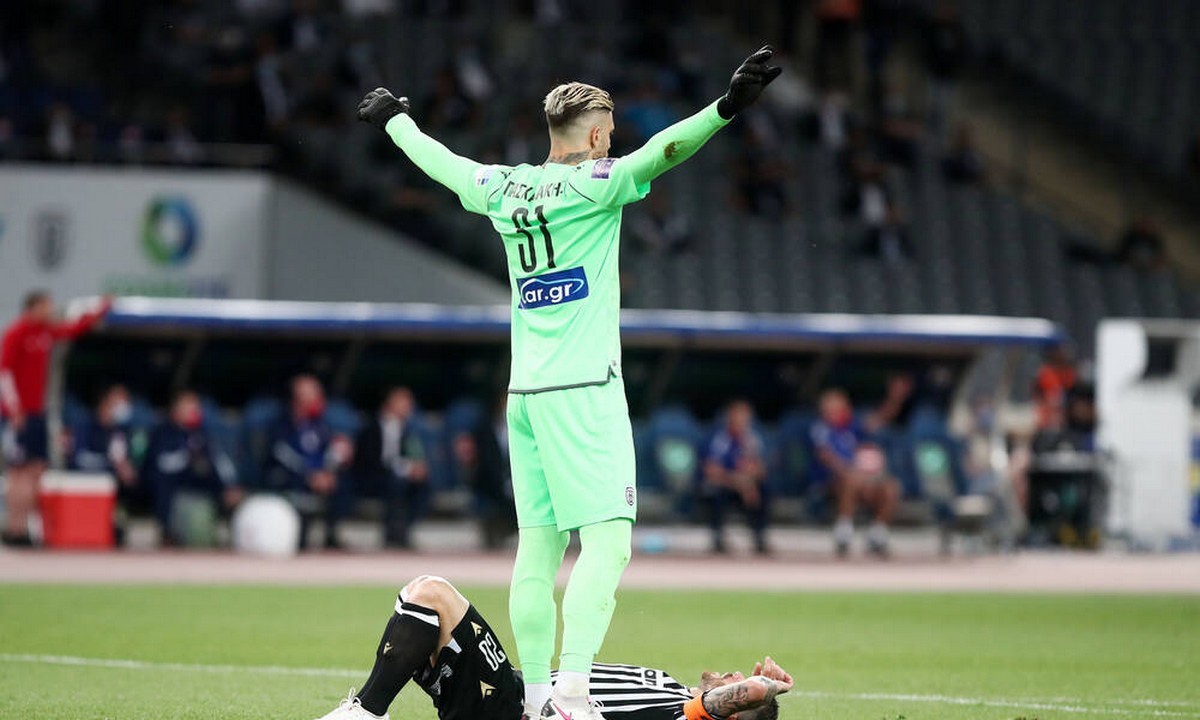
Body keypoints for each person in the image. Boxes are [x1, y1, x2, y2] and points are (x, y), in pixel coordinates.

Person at [355, 46, 782, 720]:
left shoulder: (505, 187)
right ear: (595, 135)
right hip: (584, 388)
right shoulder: (598, 183)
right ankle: (574, 694)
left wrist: (394, 122)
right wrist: (725, 109)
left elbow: (444, 164)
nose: (613, 142)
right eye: (609, 132)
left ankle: (536, 700)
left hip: (525, 393)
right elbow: (664, 152)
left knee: (539, 546)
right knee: (608, 543)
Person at [314, 574, 792, 720]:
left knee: (433, 593)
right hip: (511, 691)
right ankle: (366, 710)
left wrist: (764, 689)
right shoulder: (672, 688)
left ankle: (365, 713)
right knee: (425, 604)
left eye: (736, 681)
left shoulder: (685, 715)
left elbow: (734, 698)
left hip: (511, 709)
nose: (735, 674)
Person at [1, 291, 111, 546]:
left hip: (37, 414)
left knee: (37, 469)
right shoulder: (16, 333)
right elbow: (4, 373)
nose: (50, 311)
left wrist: (100, 309)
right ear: (33, 307)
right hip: (20, 415)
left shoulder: (44, 332)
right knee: (18, 472)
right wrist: (14, 409)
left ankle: (26, 528)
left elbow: (72, 329)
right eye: (46, 306)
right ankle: (13, 527)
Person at [810, 383, 907, 557]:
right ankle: (843, 532)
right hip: (832, 481)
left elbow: (880, 419)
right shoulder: (821, 428)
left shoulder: (852, 427)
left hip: (862, 479)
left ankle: (877, 535)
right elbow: (826, 457)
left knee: (891, 486)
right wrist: (854, 474)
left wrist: (895, 399)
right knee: (852, 478)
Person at [263, 375, 354, 550]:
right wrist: (310, 474)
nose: (316, 398)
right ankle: (298, 539)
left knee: (342, 483)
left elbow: (328, 451)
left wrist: (328, 471)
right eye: (310, 394)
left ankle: (331, 535)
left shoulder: (320, 425)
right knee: (293, 484)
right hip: (290, 476)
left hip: (318, 476)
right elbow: (284, 456)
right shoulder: (281, 424)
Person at [141, 390, 242, 547]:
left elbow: (216, 464)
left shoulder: (201, 433)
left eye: (195, 406)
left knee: (224, 489)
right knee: (166, 487)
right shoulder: (162, 433)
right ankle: (168, 533)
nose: (193, 410)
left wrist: (227, 487)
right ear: (175, 409)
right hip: (171, 488)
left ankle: (226, 538)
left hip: (197, 485)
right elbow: (159, 467)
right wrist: (187, 458)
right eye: (187, 406)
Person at [354, 387, 430, 549]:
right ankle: (392, 534)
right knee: (395, 483)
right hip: (373, 478)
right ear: (390, 404)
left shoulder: (409, 432)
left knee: (423, 485)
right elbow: (372, 461)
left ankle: (404, 530)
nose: (408, 407)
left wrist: (416, 468)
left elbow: (414, 456)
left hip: (400, 479)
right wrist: (406, 469)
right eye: (403, 403)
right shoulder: (371, 429)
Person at [66, 384, 141, 544]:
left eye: (125, 401)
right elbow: (79, 459)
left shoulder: (119, 431)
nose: (122, 406)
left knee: (132, 484)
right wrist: (111, 465)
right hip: (83, 482)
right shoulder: (84, 425)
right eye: (118, 401)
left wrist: (124, 468)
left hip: (110, 486)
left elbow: (121, 460)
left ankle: (117, 523)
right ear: (105, 402)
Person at [703, 400, 769, 555]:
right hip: (725, 485)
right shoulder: (720, 438)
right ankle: (718, 538)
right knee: (716, 493)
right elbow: (711, 470)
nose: (742, 420)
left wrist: (748, 484)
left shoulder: (753, 439)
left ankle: (759, 537)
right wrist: (738, 483)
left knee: (764, 490)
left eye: (745, 417)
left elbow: (761, 469)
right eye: (738, 416)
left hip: (746, 485)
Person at [452, 394, 518, 550]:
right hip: (491, 483)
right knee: (497, 498)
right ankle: (496, 533)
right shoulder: (486, 427)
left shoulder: (527, 429)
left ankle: (505, 532)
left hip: (518, 480)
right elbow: (483, 462)